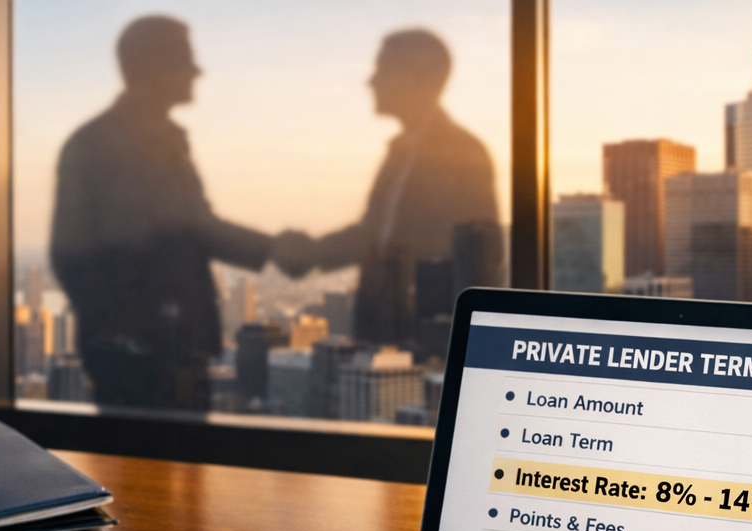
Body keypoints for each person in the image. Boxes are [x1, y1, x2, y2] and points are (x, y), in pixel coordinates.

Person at [51, 16, 284, 410]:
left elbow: (193, 226)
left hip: (178, 348)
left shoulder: (163, 139)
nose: (197, 71)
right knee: (137, 466)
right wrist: (124, 333)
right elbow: (70, 254)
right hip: (137, 357)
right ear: (152, 66)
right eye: (186, 59)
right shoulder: (96, 144)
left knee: (183, 463)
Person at [275, 29, 503, 347]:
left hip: (426, 341)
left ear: (415, 77)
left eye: (382, 70)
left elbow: (480, 259)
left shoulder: (462, 153)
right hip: (385, 337)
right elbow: (374, 235)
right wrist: (311, 253)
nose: (372, 82)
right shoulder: (401, 152)